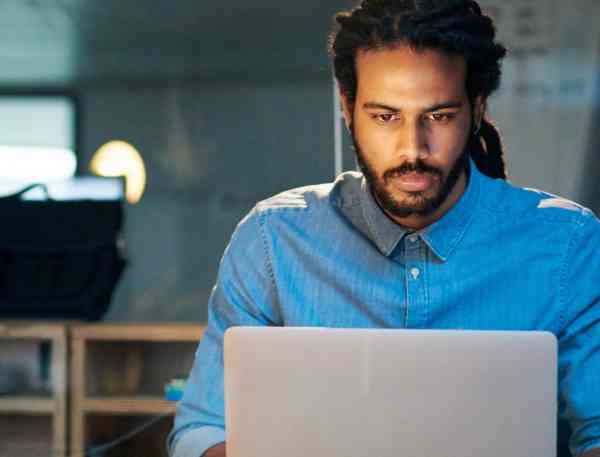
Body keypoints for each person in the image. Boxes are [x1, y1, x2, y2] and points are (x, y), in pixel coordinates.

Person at [168, 1, 600, 456]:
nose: (412, 148)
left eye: (438, 116)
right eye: (385, 117)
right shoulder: (272, 242)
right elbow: (203, 430)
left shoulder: (567, 246)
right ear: (347, 107)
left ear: (476, 109)